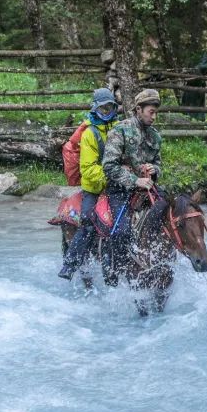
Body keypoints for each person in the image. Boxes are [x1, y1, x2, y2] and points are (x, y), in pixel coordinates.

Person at [101, 88, 163, 280]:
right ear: (138, 109)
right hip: (120, 190)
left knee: (173, 218)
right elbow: (108, 166)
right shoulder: (120, 130)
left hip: (148, 190)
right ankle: (117, 273)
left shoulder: (155, 136)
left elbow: (159, 164)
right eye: (151, 112)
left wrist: (155, 170)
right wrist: (135, 180)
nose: (154, 116)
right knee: (121, 232)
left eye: (156, 112)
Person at [58, 88, 120, 280]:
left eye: (109, 107)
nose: (106, 111)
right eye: (102, 108)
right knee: (88, 221)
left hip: (118, 187)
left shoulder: (121, 128)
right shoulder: (89, 134)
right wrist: (113, 176)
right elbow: (87, 169)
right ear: (95, 109)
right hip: (94, 188)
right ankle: (71, 263)